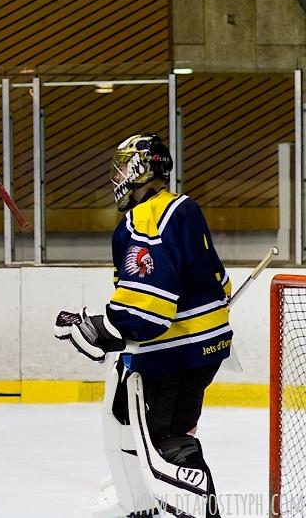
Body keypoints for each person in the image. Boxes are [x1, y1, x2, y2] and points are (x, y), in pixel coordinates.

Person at [54, 134, 230, 518]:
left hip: (175, 352)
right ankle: (139, 503)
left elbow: (146, 308)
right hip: (198, 346)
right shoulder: (183, 207)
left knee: (167, 442)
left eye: (122, 167)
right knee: (125, 413)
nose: (116, 177)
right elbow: (219, 282)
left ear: (141, 169)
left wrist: (104, 327)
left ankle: (196, 509)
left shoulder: (147, 216)